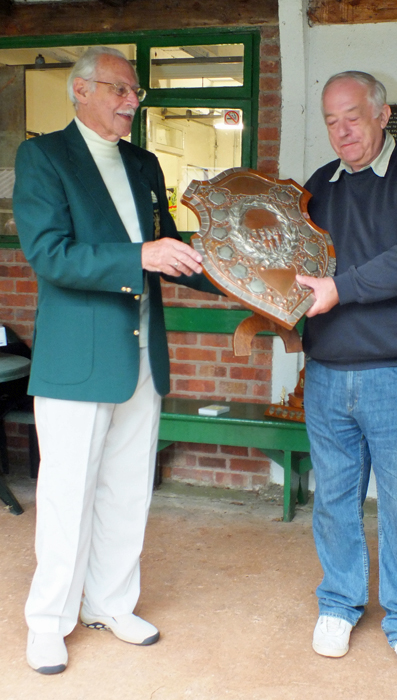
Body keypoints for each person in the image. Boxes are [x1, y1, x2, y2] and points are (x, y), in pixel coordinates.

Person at [13, 46, 220, 675]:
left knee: (129, 490)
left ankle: (109, 603)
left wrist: (245, 280)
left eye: (136, 92)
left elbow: (170, 249)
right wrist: (140, 257)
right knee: (67, 495)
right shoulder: (43, 157)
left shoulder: (143, 163)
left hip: (142, 356)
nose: (133, 102)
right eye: (121, 90)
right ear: (80, 91)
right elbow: (51, 254)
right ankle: (49, 622)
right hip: (78, 358)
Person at [296, 71, 397, 684]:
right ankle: (339, 604)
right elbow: (287, 270)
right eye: (331, 120)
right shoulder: (317, 187)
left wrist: (342, 288)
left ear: (383, 114)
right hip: (330, 374)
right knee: (333, 501)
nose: (342, 131)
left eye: (353, 117)